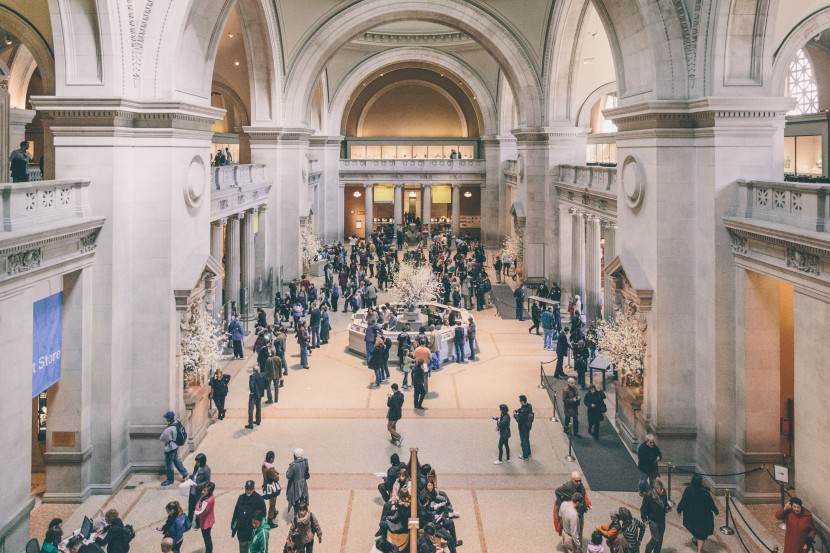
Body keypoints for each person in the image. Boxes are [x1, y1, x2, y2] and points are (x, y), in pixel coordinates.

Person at [676, 474, 719, 553]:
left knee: (695, 529)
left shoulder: (688, 489)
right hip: (702, 517)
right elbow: (711, 504)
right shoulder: (705, 493)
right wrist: (716, 511)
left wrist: (679, 510)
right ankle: (699, 551)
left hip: (691, 515)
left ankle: (696, 539)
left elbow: (683, 501)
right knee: (701, 535)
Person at [554, 472, 592, 544]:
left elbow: (583, 495)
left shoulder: (580, 485)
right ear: (572, 480)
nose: (578, 482)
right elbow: (557, 491)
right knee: (573, 530)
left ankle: (579, 543)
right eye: (576, 481)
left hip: (580, 512)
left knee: (580, 528)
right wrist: (562, 503)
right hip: (574, 513)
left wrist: (585, 507)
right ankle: (574, 544)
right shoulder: (567, 486)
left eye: (580, 480)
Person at [231, 480, 266, 553]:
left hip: (253, 532)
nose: (248, 491)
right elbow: (236, 512)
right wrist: (233, 527)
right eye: (247, 489)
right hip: (242, 533)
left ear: (253, 488)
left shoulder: (259, 499)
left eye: (250, 489)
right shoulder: (241, 498)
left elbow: (263, 515)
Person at [159, 411, 189, 487]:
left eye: (166, 418)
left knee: (169, 464)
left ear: (168, 419)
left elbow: (162, 438)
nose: (166, 419)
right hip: (176, 445)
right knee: (176, 460)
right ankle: (185, 473)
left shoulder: (169, 429)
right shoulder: (177, 422)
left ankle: (170, 480)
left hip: (170, 447)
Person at [640, 478, 670, 553]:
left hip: (661, 519)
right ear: (656, 489)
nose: (662, 490)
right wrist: (644, 520)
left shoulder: (664, 492)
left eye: (662, 488)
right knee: (656, 539)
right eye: (660, 489)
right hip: (653, 521)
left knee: (660, 540)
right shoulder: (648, 496)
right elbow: (643, 509)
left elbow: (665, 503)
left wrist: (667, 508)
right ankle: (648, 549)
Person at [286, 448, 310, 514]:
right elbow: (306, 473)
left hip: (295, 486)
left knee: (295, 502)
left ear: (296, 455)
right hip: (303, 485)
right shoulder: (305, 462)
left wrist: (288, 470)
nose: (293, 455)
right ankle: (303, 513)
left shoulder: (293, 465)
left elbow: (288, 476)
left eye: (294, 454)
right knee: (302, 500)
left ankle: (297, 516)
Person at [188, 453, 211, 521]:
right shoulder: (196, 466)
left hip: (199, 492)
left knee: (198, 507)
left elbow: (207, 482)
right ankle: (189, 521)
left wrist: (197, 485)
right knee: (191, 507)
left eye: (197, 462)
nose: (196, 463)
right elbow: (195, 475)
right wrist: (189, 477)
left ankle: (198, 522)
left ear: (201, 462)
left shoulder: (207, 469)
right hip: (192, 490)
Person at [194, 482, 216, 553]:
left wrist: (197, 506)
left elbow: (200, 513)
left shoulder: (207, 501)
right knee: (207, 537)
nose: (202, 492)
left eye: (205, 490)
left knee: (207, 538)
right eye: (203, 490)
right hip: (209, 519)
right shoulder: (209, 496)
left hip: (206, 522)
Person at [262, 451, 281, 528]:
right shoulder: (270, 469)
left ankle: (274, 513)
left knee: (272, 502)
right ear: (271, 459)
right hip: (271, 488)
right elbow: (277, 478)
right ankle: (270, 520)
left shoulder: (264, 465)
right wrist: (276, 472)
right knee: (272, 504)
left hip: (266, 484)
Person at [513, 395, 534, 460]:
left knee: (523, 441)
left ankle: (525, 456)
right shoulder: (529, 406)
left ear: (522, 401)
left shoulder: (523, 411)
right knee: (527, 439)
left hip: (523, 427)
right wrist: (518, 411)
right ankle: (529, 453)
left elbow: (519, 420)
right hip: (528, 427)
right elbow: (522, 410)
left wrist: (515, 415)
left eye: (520, 401)